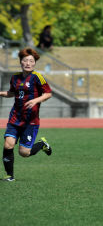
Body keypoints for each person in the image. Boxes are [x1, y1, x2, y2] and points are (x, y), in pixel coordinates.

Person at [1, 48, 53, 182]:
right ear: (21, 62)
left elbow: (48, 93)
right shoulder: (15, 77)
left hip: (31, 121)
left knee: (24, 153)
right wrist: (1, 93)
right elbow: (13, 93)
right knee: (8, 145)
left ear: (35, 63)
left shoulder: (37, 77)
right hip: (15, 118)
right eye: (25, 60)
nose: (28, 63)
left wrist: (35, 100)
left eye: (31, 61)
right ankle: (9, 175)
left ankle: (41, 144)